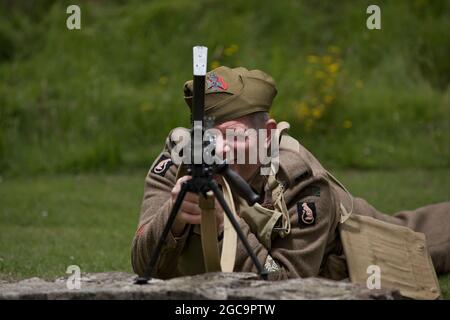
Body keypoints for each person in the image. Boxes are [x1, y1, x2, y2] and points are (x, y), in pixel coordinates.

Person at [131, 66, 449, 287]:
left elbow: (286, 287)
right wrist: (170, 222)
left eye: (234, 136)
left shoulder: (301, 181)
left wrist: (224, 228)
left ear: (267, 135)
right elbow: (142, 263)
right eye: (210, 137)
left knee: (422, 242)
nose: (219, 150)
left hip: (356, 238)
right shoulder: (178, 162)